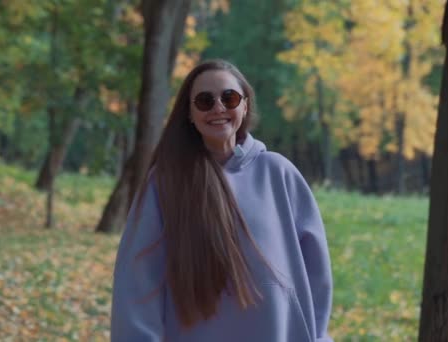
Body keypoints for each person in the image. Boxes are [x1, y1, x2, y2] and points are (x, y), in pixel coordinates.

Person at [110, 59, 333, 342]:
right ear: (189, 114)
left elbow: (317, 272)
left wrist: (317, 336)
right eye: (204, 101)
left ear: (245, 105)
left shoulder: (279, 173)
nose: (218, 107)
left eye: (229, 97)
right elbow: (138, 281)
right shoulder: (166, 181)